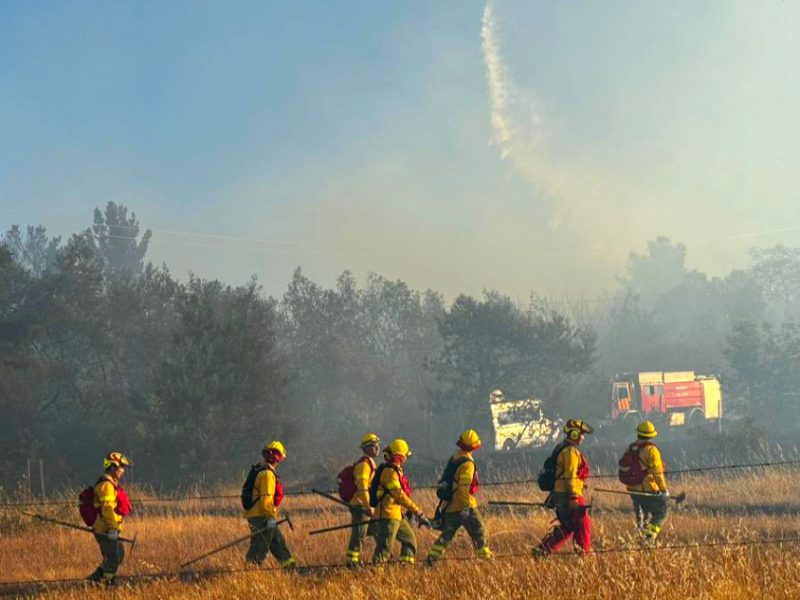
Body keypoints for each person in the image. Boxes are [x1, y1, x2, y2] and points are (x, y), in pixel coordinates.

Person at [426, 429, 492, 563]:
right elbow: (464, 488)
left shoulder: (455, 458)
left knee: (446, 537)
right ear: (475, 446)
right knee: (480, 533)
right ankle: (488, 562)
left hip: (451, 507)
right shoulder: (467, 463)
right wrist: (466, 508)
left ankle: (430, 561)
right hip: (465, 506)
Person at [534, 419, 593, 555]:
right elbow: (570, 475)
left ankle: (542, 551)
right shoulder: (571, 452)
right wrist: (573, 497)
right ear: (574, 434)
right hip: (569, 496)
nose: (583, 438)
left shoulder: (561, 448)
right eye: (581, 434)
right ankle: (583, 555)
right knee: (583, 524)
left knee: (567, 527)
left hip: (560, 494)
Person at [371, 439, 431, 564]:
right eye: (405, 456)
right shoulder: (390, 473)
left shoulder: (395, 470)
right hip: (388, 515)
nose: (406, 459)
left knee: (410, 539)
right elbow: (399, 495)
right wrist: (417, 512)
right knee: (384, 549)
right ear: (399, 457)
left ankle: (406, 570)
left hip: (396, 515)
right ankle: (375, 574)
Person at [243, 440, 296, 568]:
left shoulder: (260, 469)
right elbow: (266, 500)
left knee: (278, 543)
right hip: (261, 517)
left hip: (259, 515)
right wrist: (270, 518)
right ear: (278, 457)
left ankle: (290, 568)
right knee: (259, 548)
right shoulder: (267, 474)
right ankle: (249, 573)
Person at [87, 452, 132, 585]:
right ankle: (106, 584)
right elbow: (107, 509)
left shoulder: (111, 484)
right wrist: (113, 528)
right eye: (121, 467)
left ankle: (93, 581)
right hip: (105, 530)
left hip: (110, 529)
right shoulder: (106, 485)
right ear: (113, 468)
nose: (123, 471)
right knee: (113, 558)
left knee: (119, 553)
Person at [621, 420, 669, 543]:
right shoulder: (651, 450)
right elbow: (657, 473)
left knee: (642, 518)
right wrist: (663, 490)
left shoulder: (630, 448)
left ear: (638, 433)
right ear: (652, 435)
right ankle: (648, 539)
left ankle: (641, 541)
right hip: (648, 490)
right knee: (661, 513)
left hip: (633, 490)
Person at [345, 433, 380, 566]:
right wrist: (367, 506)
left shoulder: (370, 463)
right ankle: (352, 562)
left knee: (373, 531)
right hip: (360, 506)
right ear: (367, 448)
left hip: (365, 505)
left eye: (377, 445)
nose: (377, 448)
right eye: (374, 446)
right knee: (359, 535)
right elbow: (363, 488)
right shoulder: (364, 465)